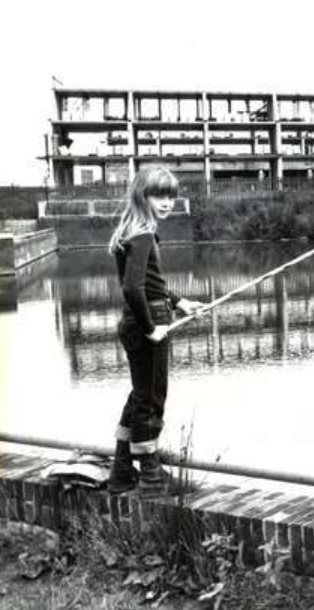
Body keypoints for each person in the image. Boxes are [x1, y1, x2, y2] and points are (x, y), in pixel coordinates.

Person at [107, 166, 204, 496]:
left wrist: (180, 302)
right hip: (146, 323)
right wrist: (152, 328)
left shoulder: (130, 233)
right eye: (158, 195)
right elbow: (133, 289)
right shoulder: (143, 235)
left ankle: (121, 473)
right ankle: (151, 480)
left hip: (139, 320)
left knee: (139, 396)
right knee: (151, 400)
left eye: (171, 196)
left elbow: (149, 284)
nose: (167, 202)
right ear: (141, 196)